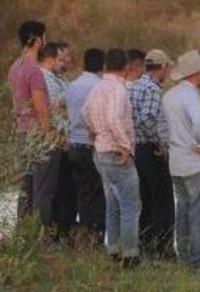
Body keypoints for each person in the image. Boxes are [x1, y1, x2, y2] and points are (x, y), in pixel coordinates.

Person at [82, 48, 140, 267]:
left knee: (112, 203)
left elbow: (85, 113)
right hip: (116, 152)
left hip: (100, 151)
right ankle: (130, 255)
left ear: (106, 66)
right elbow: (115, 118)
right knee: (130, 204)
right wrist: (125, 145)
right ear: (125, 68)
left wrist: (93, 133)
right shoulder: (119, 89)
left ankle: (113, 249)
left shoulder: (97, 87)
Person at [162, 50, 200, 268]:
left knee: (183, 209)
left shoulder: (169, 95)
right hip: (194, 163)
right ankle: (199, 258)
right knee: (199, 211)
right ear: (195, 73)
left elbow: (164, 127)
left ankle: (184, 255)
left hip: (176, 162)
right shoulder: (190, 95)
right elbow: (198, 122)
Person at [130, 49, 175, 260]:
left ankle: (146, 246)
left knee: (146, 201)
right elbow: (148, 119)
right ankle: (164, 250)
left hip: (137, 150)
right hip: (150, 149)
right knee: (163, 201)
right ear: (163, 67)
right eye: (168, 67)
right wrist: (160, 145)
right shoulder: (153, 89)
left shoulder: (136, 85)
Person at [8, 20, 51, 222]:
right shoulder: (34, 69)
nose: (46, 41)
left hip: (21, 130)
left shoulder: (15, 66)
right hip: (36, 133)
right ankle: (38, 232)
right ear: (36, 40)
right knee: (41, 185)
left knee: (26, 184)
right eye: (44, 37)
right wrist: (49, 132)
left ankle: (22, 228)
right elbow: (40, 106)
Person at [65, 48, 106, 243]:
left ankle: (83, 238)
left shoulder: (72, 85)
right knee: (97, 196)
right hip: (91, 147)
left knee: (83, 196)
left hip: (73, 146)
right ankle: (94, 240)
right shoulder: (100, 86)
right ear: (103, 66)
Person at [39, 41, 77, 238]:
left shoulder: (61, 78)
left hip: (65, 141)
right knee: (51, 191)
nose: (66, 62)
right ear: (51, 58)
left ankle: (63, 232)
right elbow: (55, 110)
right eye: (62, 59)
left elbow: (67, 107)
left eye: (67, 58)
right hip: (55, 140)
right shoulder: (45, 78)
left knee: (65, 191)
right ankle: (50, 234)